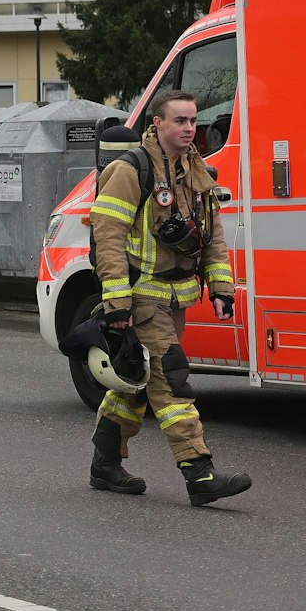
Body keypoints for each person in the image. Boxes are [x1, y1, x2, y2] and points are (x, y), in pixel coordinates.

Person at [86, 89, 251, 506]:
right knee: (170, 379)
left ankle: (105, 463)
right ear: (156, 124)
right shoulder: (130, 170)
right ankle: (200, 474)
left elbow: (211, 235)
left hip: (177, 298)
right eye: (180, 121)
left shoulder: (196, 170)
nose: (189, 128)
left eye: (193, 121)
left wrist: (221, 288)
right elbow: (107, 237)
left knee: (134, 383)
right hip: (142, 297)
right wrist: (118, 302)